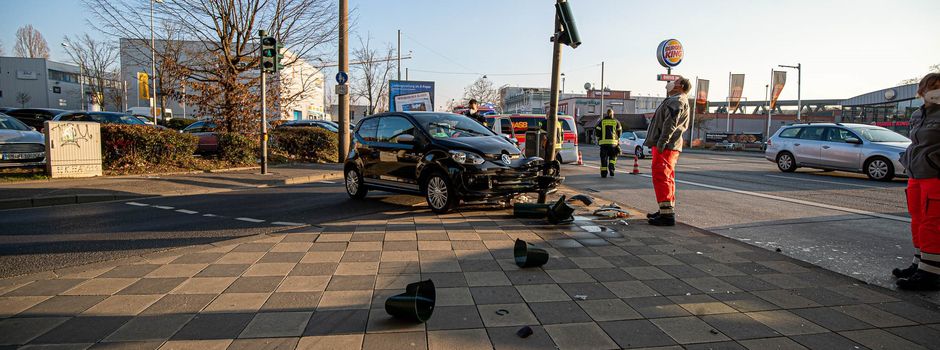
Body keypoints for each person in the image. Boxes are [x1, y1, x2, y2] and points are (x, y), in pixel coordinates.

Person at [896, 73, 940, 290]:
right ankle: (920, 263)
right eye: (933, 86)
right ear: (922, 90)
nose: (936, 91)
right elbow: (916, 142)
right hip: (916, 174)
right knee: (918, 220)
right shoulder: (917, 114)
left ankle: (931, 274)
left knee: (933, 222)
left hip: (935, 176)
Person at [644, 77, 691, 226]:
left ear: (681, 86)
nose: (671, 84)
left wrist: (662, 142)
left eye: (675, 82)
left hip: (666, 146)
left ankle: (667, 216)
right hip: (669, 146)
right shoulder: (677, 100)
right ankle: (665, 210)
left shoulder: (677, 100)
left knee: (661, 176)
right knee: (667, 177)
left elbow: (670, 123)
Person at [594, 109, 622, 177]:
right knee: (613, 157)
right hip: (613, 144)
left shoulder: (602, 121)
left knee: (604, 158)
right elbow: (619, 131)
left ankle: (604, 173)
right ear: (613, 114)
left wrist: (598, 138)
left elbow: (597, 130)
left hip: (603, 144)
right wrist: (618, 139)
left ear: (607, 113)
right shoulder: (616, 121)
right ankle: (611, 168)